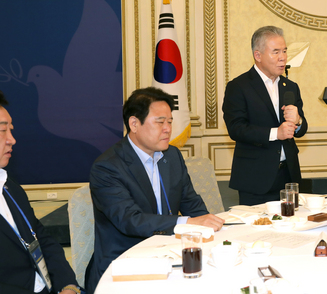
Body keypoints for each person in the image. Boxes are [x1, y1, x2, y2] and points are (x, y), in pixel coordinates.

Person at [85, 87, 224, 293]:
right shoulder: (108, 167)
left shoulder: (172, 156)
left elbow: (192, 205)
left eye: (170, 122)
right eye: (160, 122)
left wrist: (211, 228)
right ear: (134, 124)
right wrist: (187, 222)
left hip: (170, 256)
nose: (167, 129)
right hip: (125, 264)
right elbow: (130, 220)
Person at [0, 91, 80, 294]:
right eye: (2, 131)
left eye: (11, 130)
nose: (12, 140)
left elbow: (42, 239)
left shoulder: (10, 187)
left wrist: (68, 285)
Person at [222, 26, 307, 206]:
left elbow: (301, 129)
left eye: (284, 51)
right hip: (255, 178)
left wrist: (298, 121)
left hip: (289, 176)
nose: (283, 57)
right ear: (258, 55)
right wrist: (276, 133)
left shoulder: (291, 87)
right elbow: (236, 128)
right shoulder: (238, 86)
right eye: (276, 52)